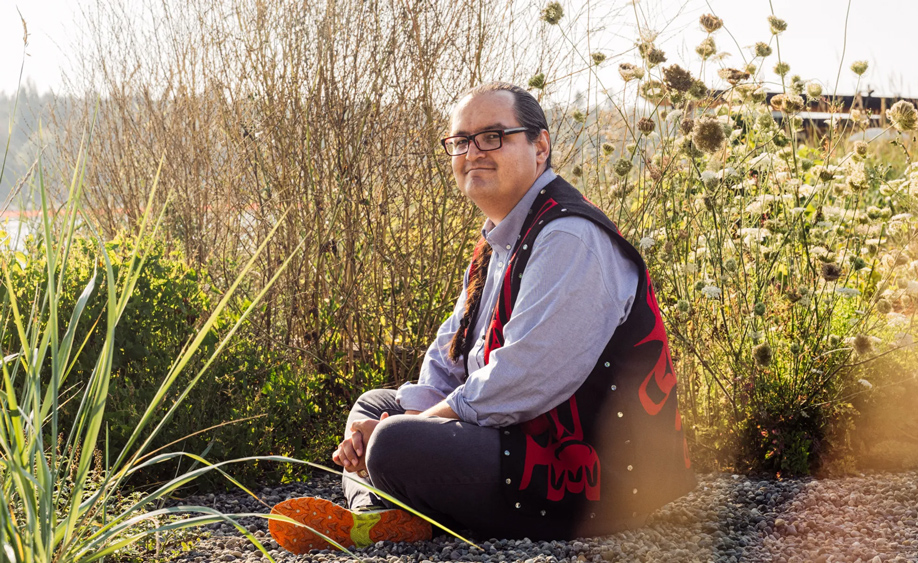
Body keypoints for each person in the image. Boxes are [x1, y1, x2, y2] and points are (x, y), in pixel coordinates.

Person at [268, 82, 695, 554]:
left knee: (392, 443)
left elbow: (526, 376)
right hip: (523, 439)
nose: (473, 152)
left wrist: (412, 427)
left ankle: (391, 503)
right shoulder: (497, 245)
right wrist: (403, 417)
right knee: (374, 408)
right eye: (461, 141)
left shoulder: (569, 237)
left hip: (593, 474)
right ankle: (381, 518)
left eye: (493, 136)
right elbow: (449, 362)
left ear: (540, 146)